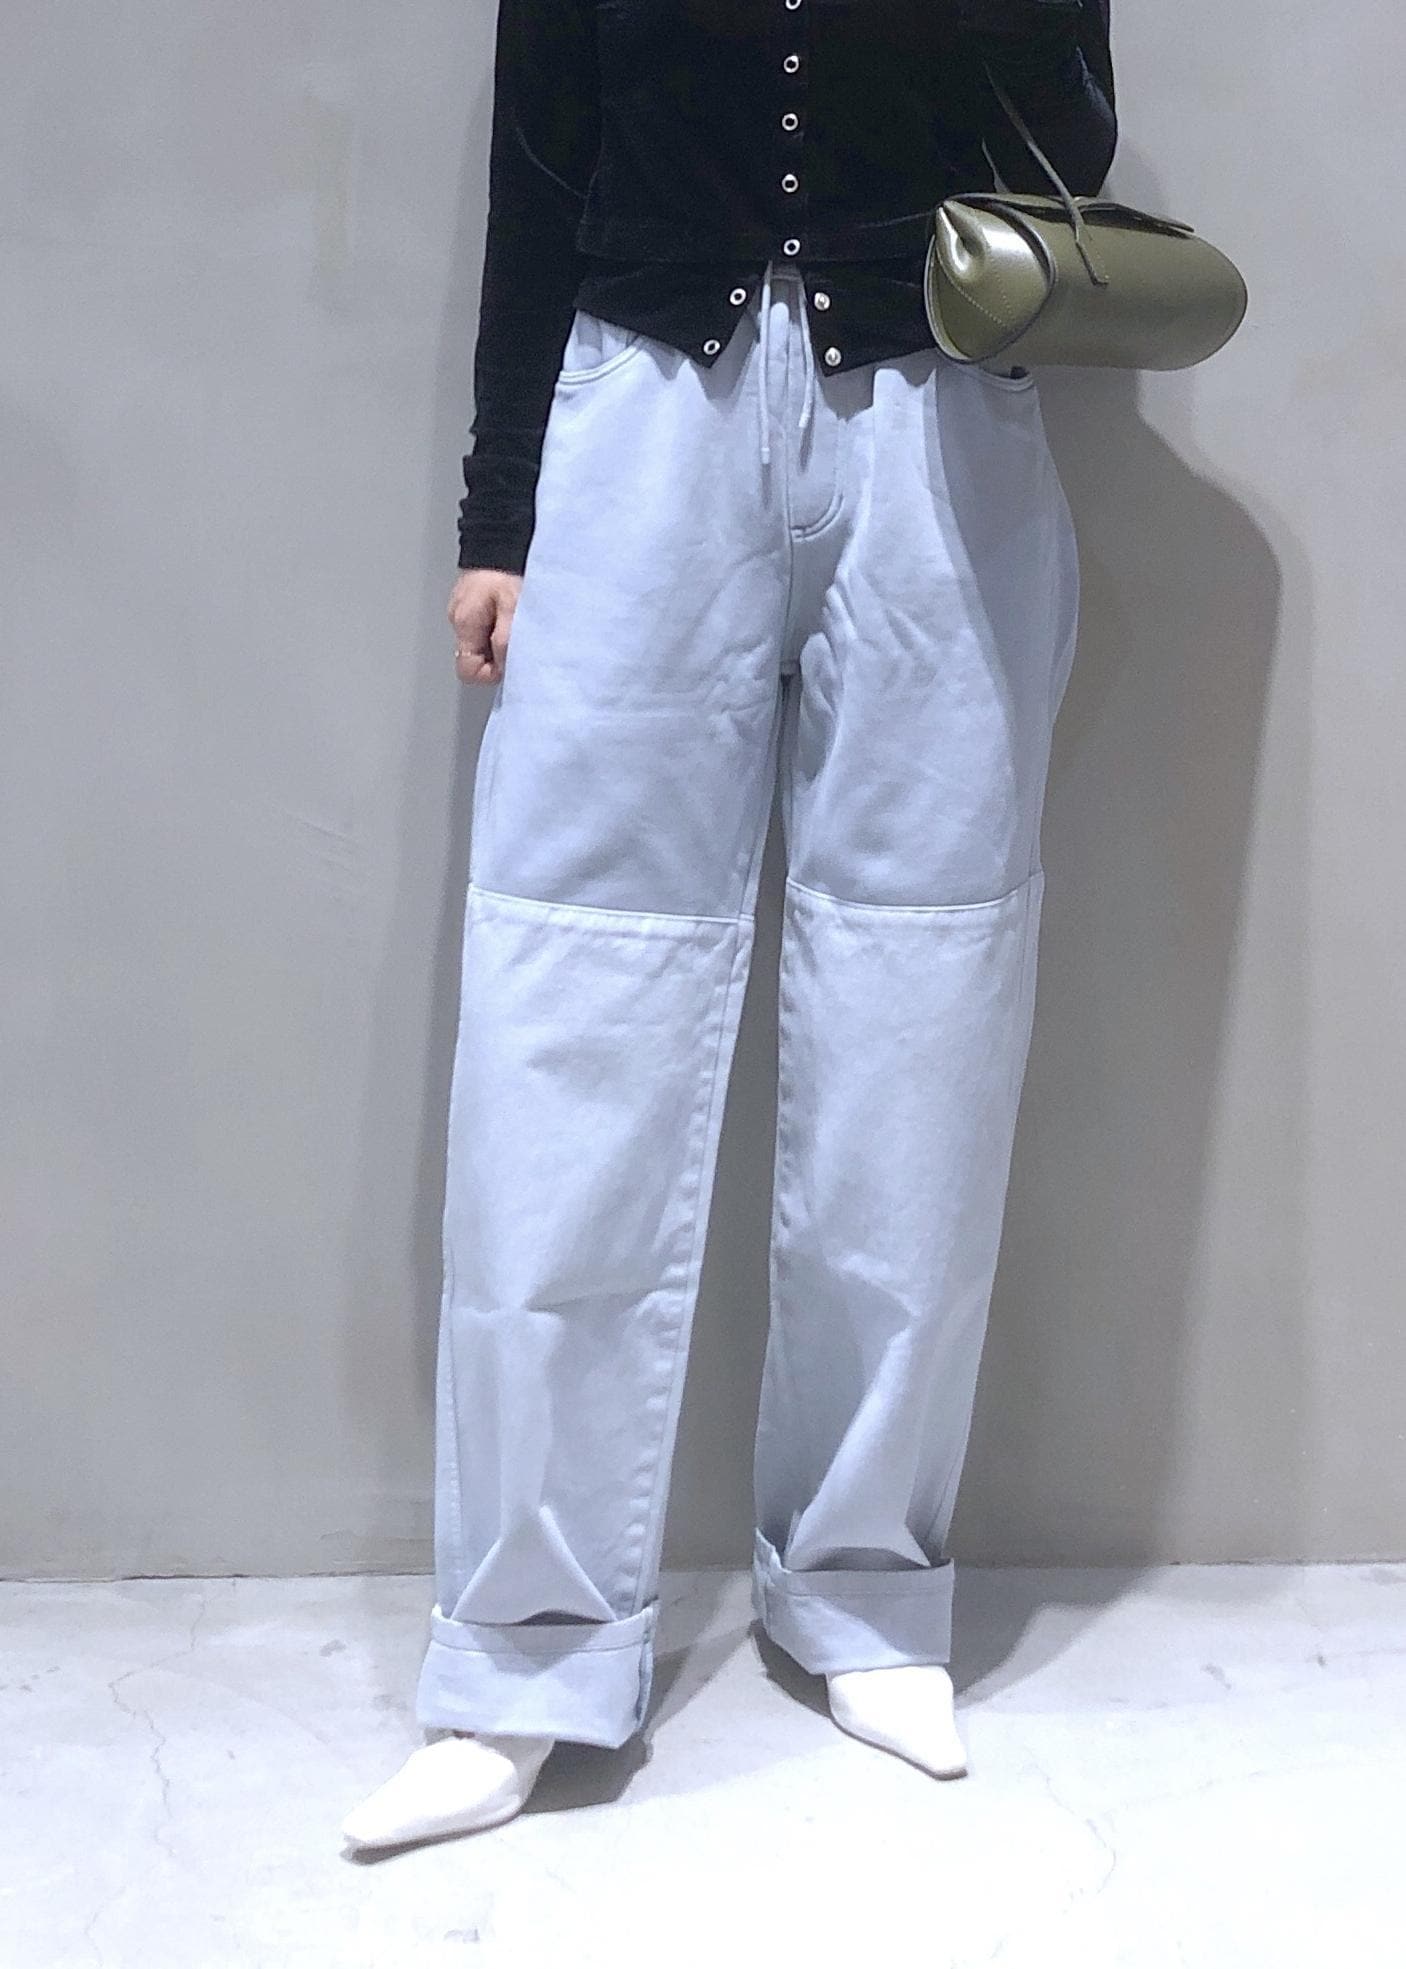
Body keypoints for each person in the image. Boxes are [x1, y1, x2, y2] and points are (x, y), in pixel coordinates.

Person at [342, 0, 1117, 1852]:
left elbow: (1070, 143)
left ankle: (865, 1588)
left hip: (938, 417)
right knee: (570, 996)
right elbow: (540, 175)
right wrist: (497, 511)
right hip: (639, 418)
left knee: (923, 995)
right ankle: (523, 1649)